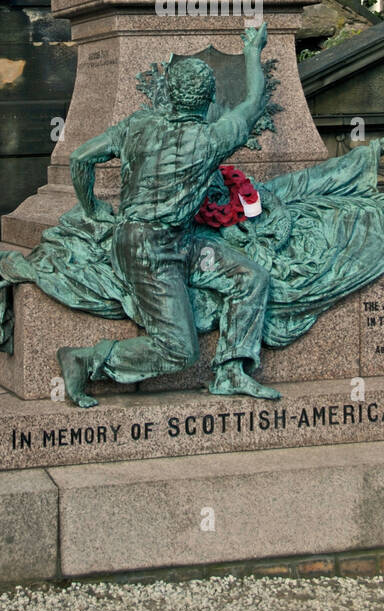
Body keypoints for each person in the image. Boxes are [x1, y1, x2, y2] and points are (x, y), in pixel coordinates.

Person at [58, 23, 279, 407]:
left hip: (181, 243)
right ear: (210, 100)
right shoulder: (213, 138)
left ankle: (230, 372)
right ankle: (86, 359)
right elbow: (253, 102)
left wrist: (92, 208)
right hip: (147, 250)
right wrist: (251, 51)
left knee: (251, 279)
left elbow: (80, 158)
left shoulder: (138, 125)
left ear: (168, 95)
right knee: (179, 349)